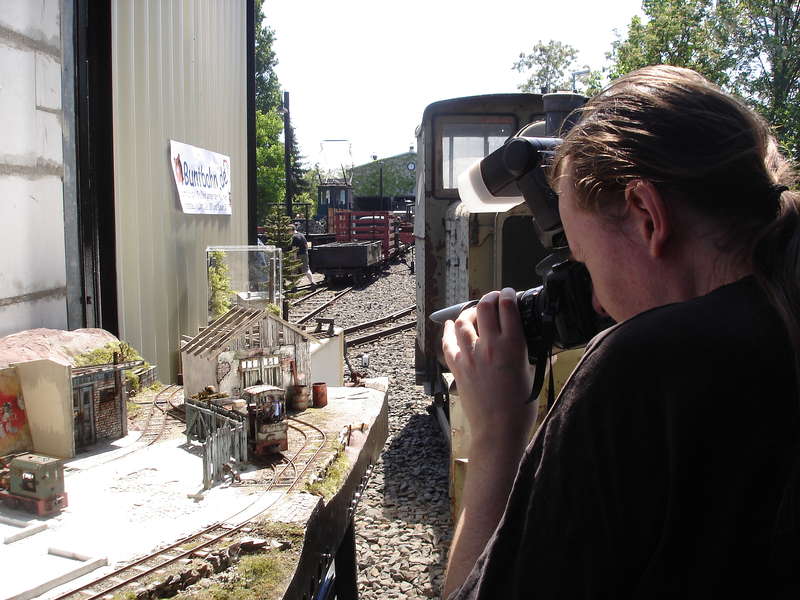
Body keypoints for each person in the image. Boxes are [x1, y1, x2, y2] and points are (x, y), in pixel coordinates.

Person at [442, 65, 800, 598]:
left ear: (646, 214)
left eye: (585, 261)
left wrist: (497, 433)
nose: (594, 300)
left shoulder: (646, 369)